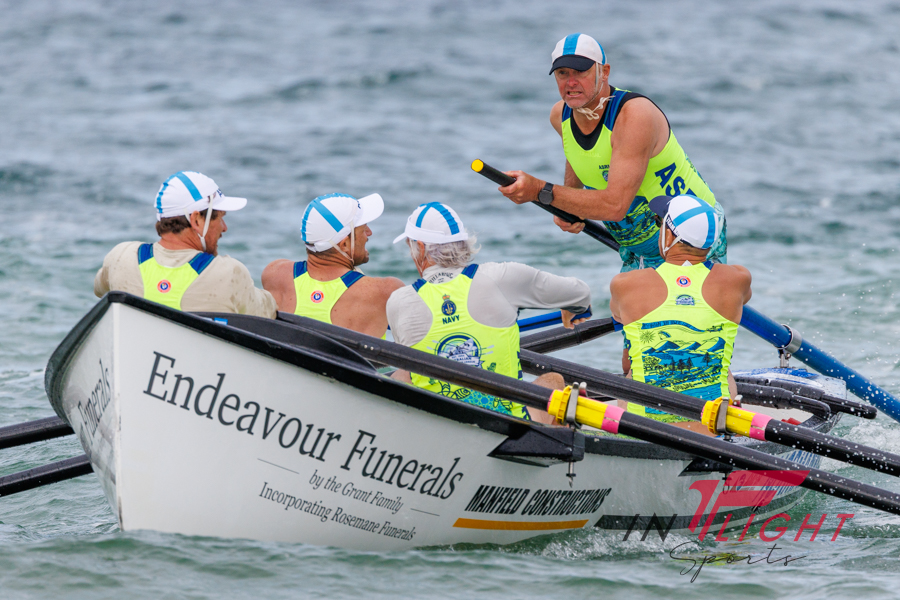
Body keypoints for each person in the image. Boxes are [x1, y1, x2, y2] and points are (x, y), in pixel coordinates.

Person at [498, 33, 726, 272]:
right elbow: (576, 154)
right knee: (622, 295)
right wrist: (569, 206)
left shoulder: (633, 116)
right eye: (563, 73)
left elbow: (615, 206)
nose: (571, 82)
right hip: (638, 248)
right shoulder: (560, 116)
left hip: (690, 240)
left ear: (604, 72)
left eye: (581, 72)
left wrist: (540, 191)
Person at [387, 202, 592, 424]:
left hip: (438, 424)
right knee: (553, 380)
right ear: (462, 243)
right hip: (507, 425)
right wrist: (572, 307)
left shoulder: (399, 302)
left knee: (401, 375)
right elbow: (581, 294)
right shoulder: (501, 277)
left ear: (420, 247)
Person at [609, 195, 751, 433]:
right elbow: (744, 298)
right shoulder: (737, 279)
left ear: (669, 235)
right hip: (712, 426)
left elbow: (618, 315)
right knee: (721, 368)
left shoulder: (625, 284)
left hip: (644, 427)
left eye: (660, 223)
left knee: (635, 369)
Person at [94, 171, 277, 317]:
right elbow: (270, 314)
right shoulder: (230, 273)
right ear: (196, 220)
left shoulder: (121, 256)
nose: (224, 227)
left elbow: (99, 289)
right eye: (220, 218)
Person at [262, 193, 403, 338]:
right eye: (363, 228)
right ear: (345, 244)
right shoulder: (385, 292)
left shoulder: (274, 274)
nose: (369, 232)